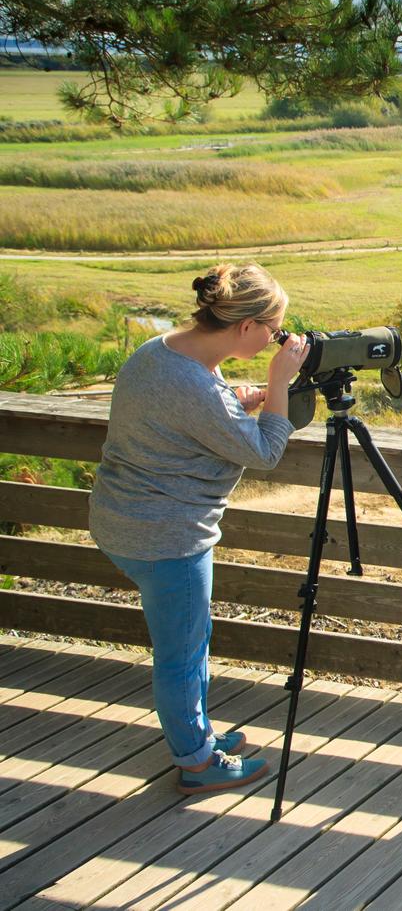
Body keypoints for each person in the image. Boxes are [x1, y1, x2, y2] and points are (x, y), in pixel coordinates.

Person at [88, 263, 309, 795]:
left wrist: (235, 402)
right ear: (246, 326)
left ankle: (197, 733)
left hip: (120, 519)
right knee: (182, 655)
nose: (276, 339)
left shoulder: (157, 352)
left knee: (188, 640)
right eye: (273, 329)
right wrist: (279, 383)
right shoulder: (196, 385)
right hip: (167, 537)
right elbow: (265, 452)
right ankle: (196, 759)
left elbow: (182, 415)